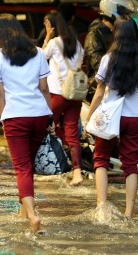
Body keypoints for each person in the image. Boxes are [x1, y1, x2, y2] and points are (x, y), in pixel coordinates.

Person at [0, 13, 53, 234]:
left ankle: (33, 216)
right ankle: (23, 211)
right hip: (39, 115)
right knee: (28, 166)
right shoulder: (39, 52)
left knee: (22, 168)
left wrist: (5, 119)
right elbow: (44, 89)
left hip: (16, 117)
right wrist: (50, 115)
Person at [84, 15, 138, 218]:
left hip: (110, 117)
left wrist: (88, 118)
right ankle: (129, 212)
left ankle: (102, 207)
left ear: (116, 34)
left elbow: (99, 92)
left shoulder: (108, 59)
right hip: (134, 118)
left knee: (101, 160)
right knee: (130, 163)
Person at [42, 11, 85, 186]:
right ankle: (77, 172)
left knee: (44, 126)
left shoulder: (53, 43)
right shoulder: (78, 45)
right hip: (75, 95)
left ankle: (45, 163)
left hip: (57, 94)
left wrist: (47, 36)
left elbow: (41, 58)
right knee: (72, 133)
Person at [84, 0, 136, 92]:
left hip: (120, 85)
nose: (127, 18)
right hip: (99, 89)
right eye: (125, 14)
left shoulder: (119, 31)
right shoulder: (94, 35)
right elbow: (99, 66)